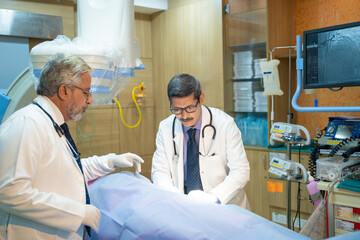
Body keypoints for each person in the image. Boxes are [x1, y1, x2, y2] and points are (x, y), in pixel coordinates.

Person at [0, 53, 144, 240]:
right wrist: (78, 213)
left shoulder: (51, 124)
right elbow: (9, 192)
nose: (90, 100)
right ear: (64, 91)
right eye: (86, 92)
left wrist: (110, 161)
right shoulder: (27, 123)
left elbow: (68, 172)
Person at [151, 73, 250, 208]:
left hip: (224, 205)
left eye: (190, 108)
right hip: (183, 205)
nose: (184, 115)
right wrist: (171, 194)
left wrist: (214, 197)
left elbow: (241, 171)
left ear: (201, 99)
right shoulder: (166, 127)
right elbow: (160, 171)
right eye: (177, 109)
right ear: (170, 103)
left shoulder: (225, 124)